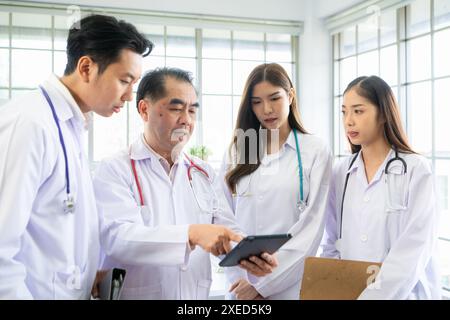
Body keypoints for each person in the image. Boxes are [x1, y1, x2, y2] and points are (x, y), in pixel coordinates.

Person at [0, 14, 153, 299]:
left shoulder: (71, 124)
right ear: (86, 67)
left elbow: (53, 226)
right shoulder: (30, 124)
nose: (130, 95)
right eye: (124, 81)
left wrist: (85, 273)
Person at [92, 67, 277, 300]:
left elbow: (225, 230)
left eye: (192, 111)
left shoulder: (203, 173)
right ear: (144, 109)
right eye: (176, 109)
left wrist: (248, 254)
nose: (186, 120)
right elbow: (119, 239)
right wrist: (191, 235)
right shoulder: (115, 169)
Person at [321, 75, 441, 299]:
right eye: (344, 111)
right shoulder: (341, 172)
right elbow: (331, 241)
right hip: (349, 292)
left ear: (384, 114)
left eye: (358, 111)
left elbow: (413, 248)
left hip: (404, 294)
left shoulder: (416, 169)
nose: (348, 121)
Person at [220, 63, 333, 300]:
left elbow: (311, 228)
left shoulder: (315, 150)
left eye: (274, 98)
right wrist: (241, 279)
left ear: (290, 96)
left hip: (291, 286)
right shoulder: (239, 149)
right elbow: (222, 215)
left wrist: (263, 286)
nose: (267, 109)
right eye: (257, 102)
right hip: (240, 285)